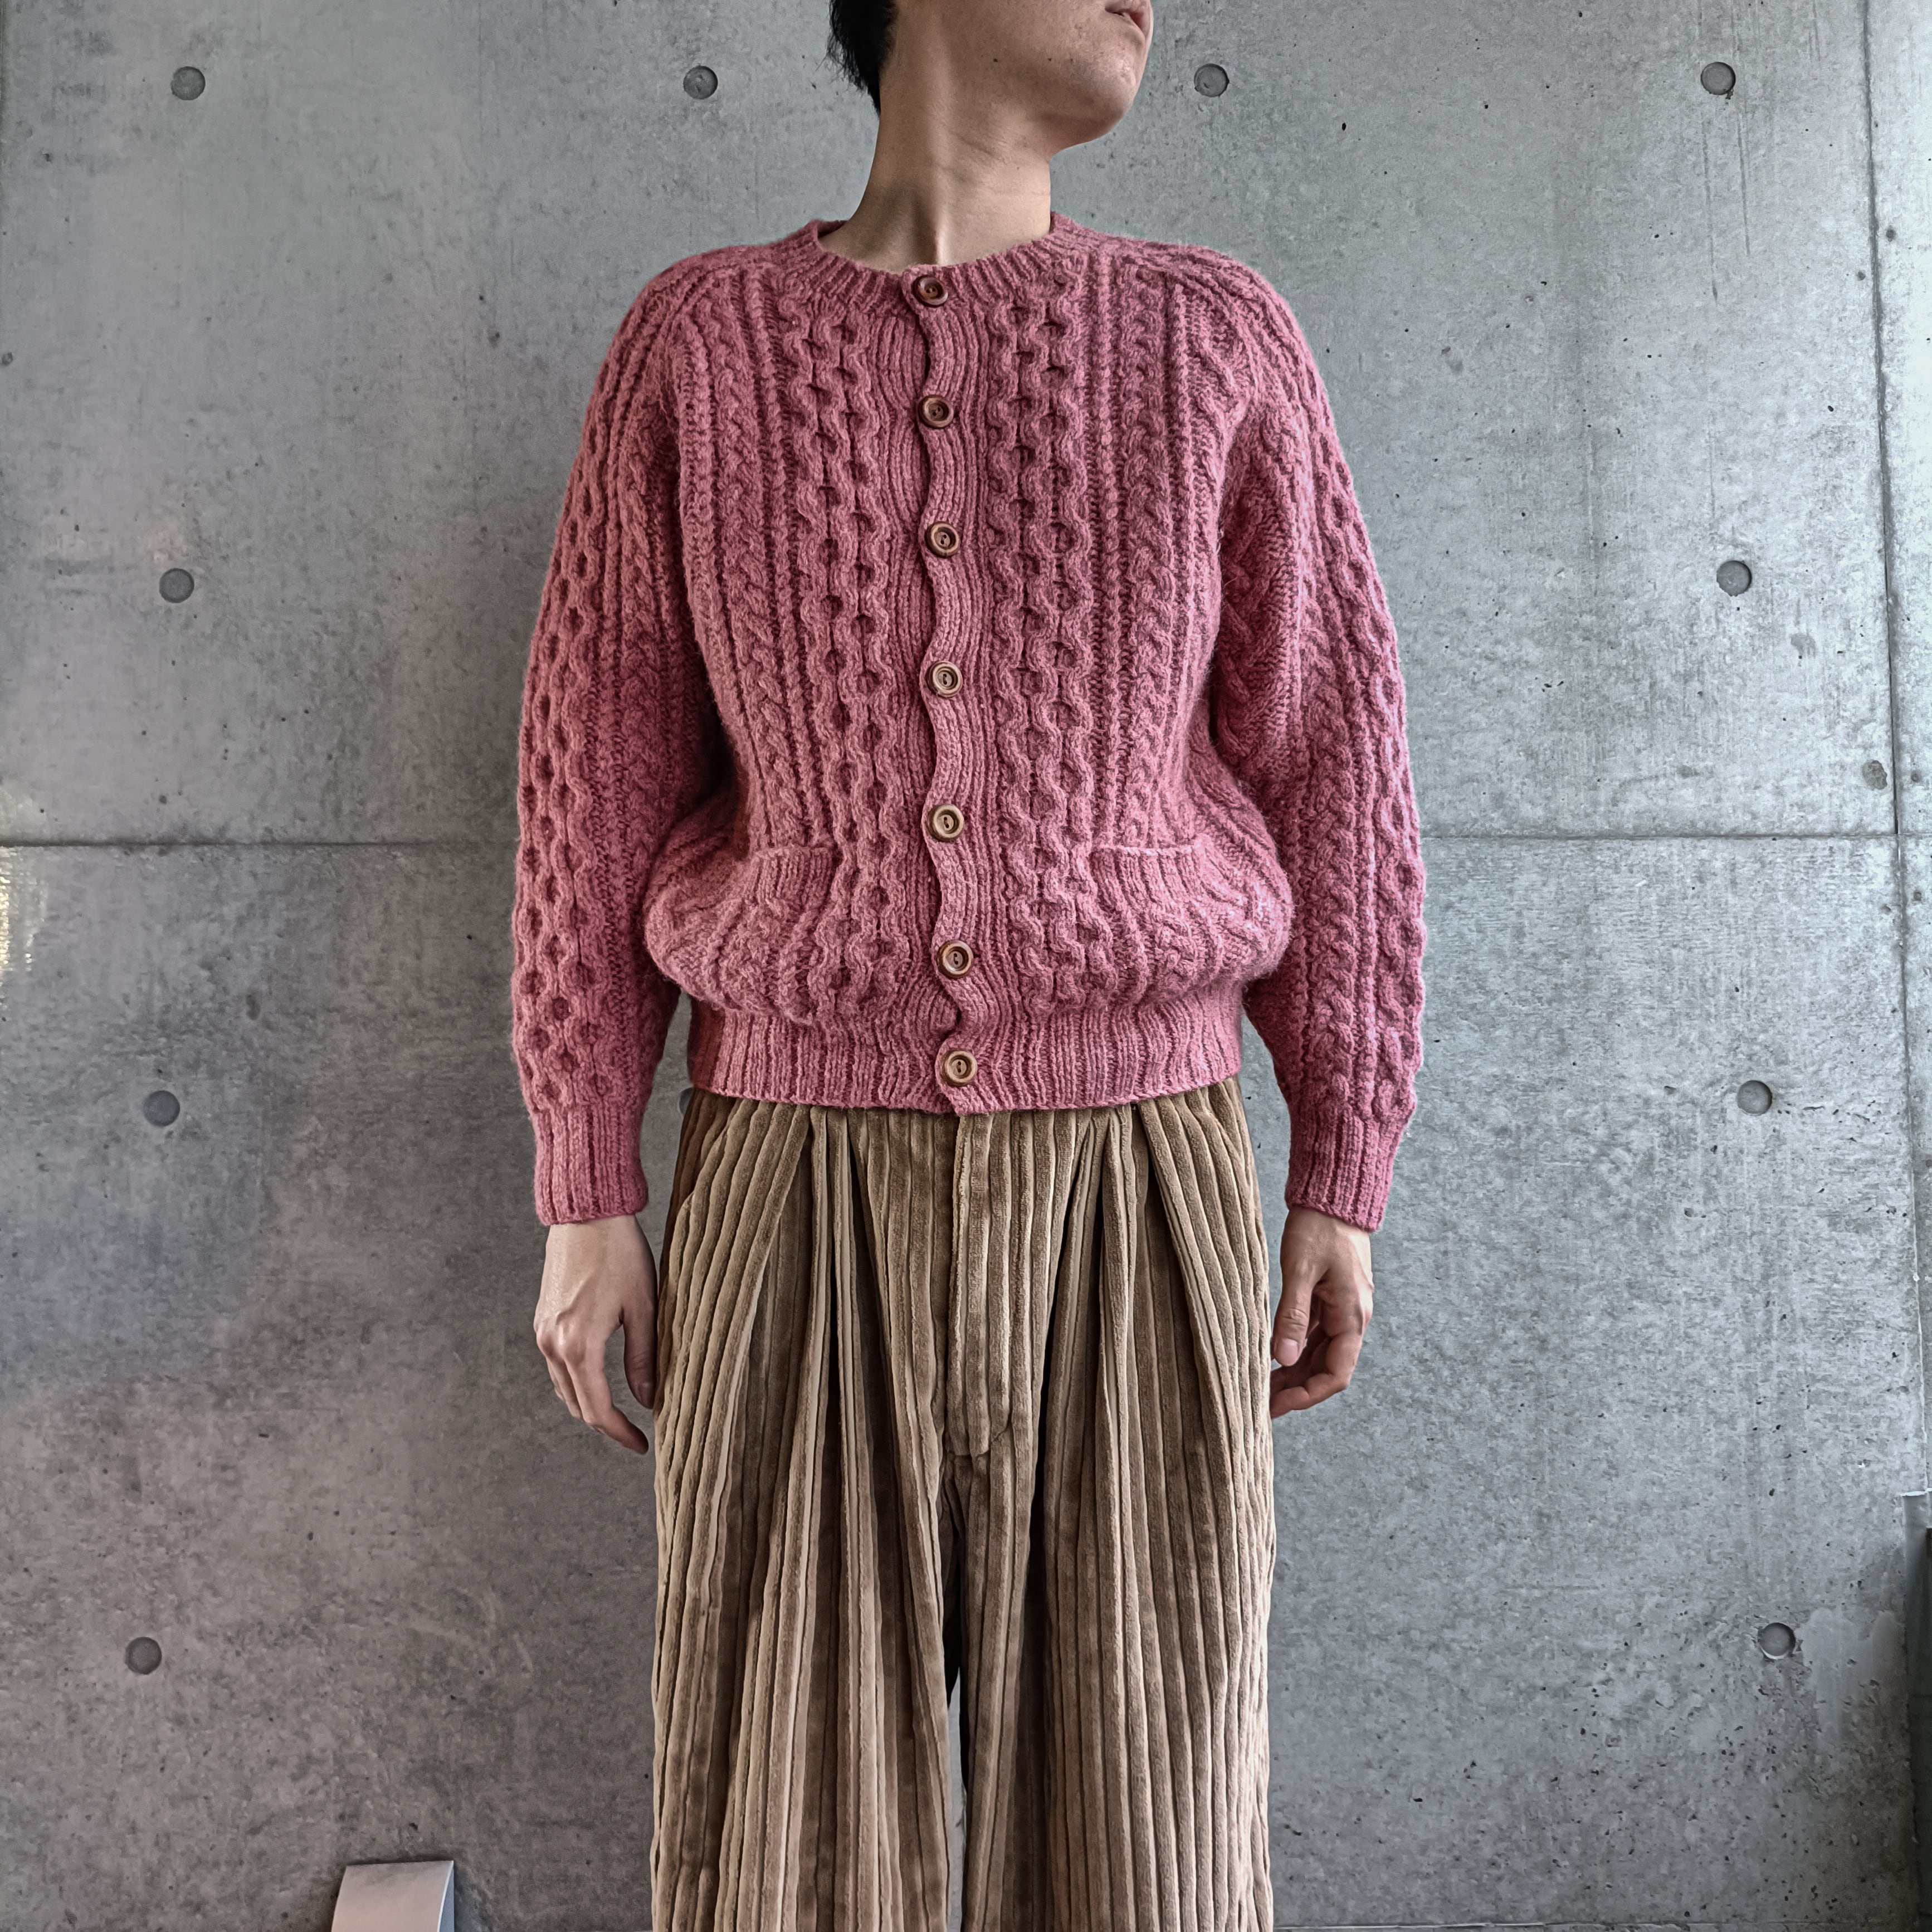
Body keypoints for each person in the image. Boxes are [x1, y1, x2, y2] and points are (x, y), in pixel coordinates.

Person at [508, 0, 1427, 1924]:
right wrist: (585, 1183)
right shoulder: (698, 344)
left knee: (1144, 1842)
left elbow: (1333, 748)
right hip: (785, 1187)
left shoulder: (1210, 336)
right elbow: (593, 772)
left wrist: (1342, 1162)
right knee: (779, 1847)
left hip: (1144, 1182)